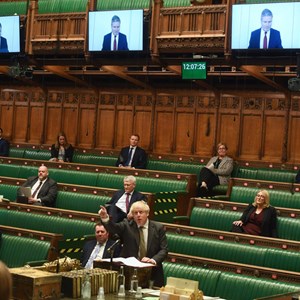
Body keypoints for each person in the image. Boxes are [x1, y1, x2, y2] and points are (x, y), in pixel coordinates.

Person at [98, 200, 168, 287]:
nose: (138, 215)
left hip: (152, 272)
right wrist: (105, 218)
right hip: (130, 272)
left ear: (147, 213)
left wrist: (153, 260)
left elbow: (164, 250)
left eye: (141, 212)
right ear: (132, 215)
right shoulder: (127, 225)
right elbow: (114, 228)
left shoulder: (158, 227)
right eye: (135, 213)